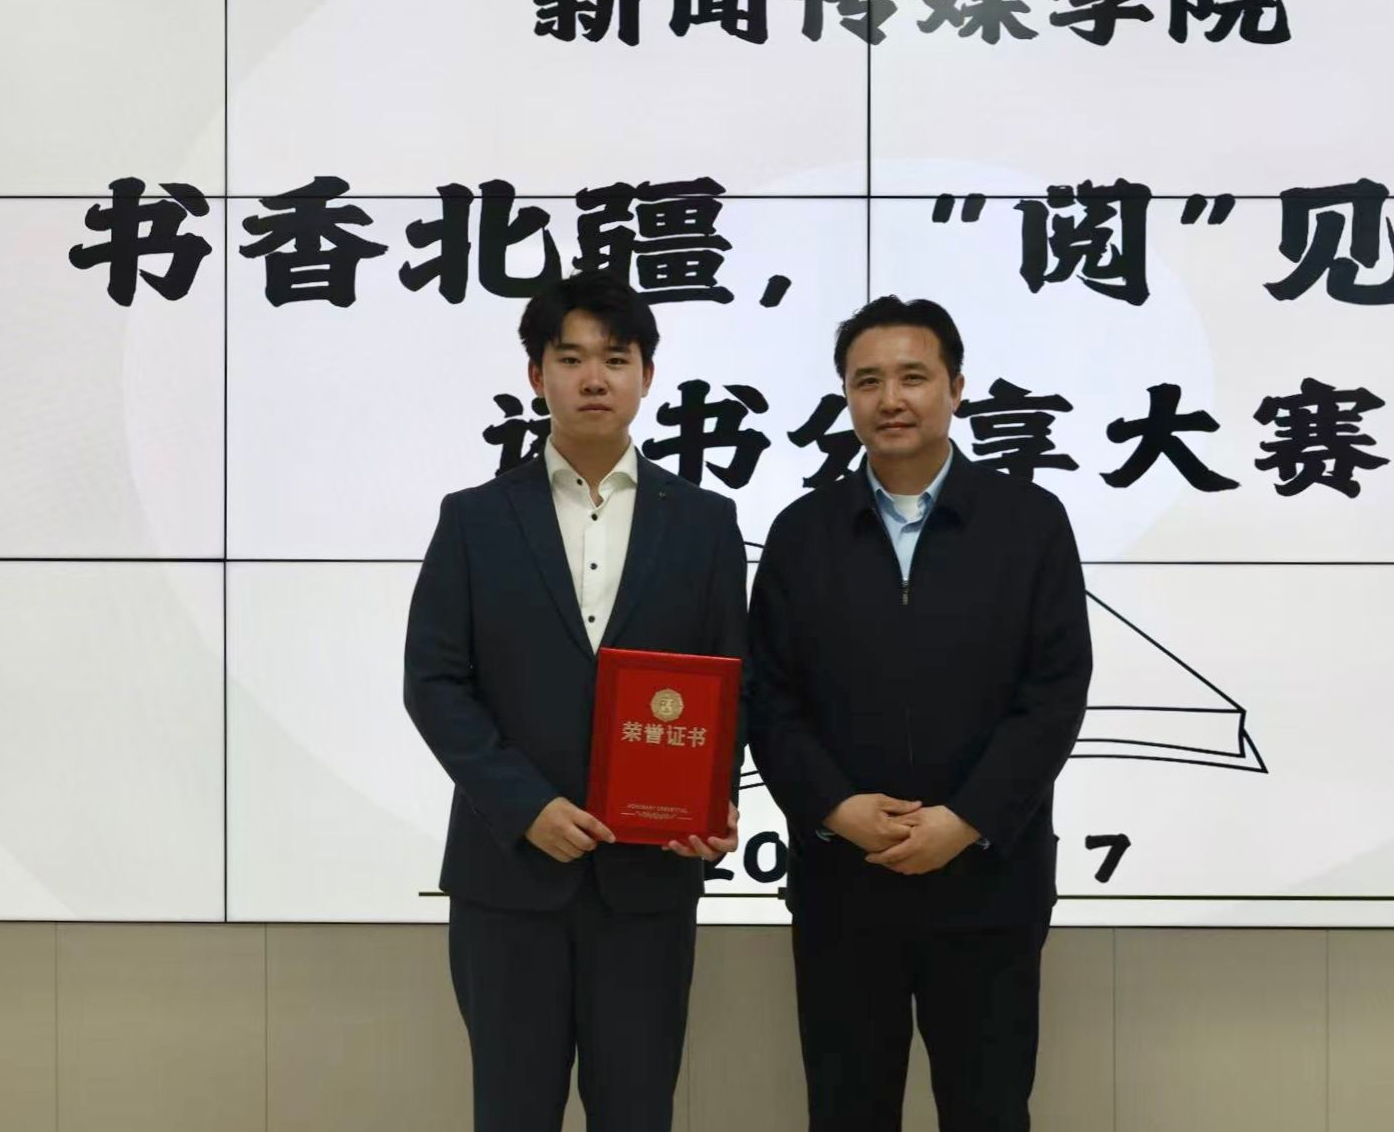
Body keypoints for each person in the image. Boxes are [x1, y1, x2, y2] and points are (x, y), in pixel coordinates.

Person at [404, 271, 744, 1132]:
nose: (595, 378)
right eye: (571, 358)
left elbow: (731, 681)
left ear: (647, 376)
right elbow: (434, 681)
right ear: (537, 374)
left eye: (615, 359)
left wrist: (712, 799)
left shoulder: (705, 523)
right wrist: (526, 806)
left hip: (649, 879)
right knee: (512, 1111)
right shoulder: (475, 519)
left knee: (637, 1110)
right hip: (509, 878)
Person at [747, 295, 1093, 1132]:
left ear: (956, 388)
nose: (890, 398)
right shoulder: (803, 533)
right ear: (846, 396)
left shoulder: (1029, 523)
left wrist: (965, 819)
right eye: (867, 381)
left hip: (988, 886)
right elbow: (769, 697)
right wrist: (837, 807)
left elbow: (1054, 692)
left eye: (913, 376)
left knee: (988, 1110)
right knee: (846, 1110)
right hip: (844, 887)